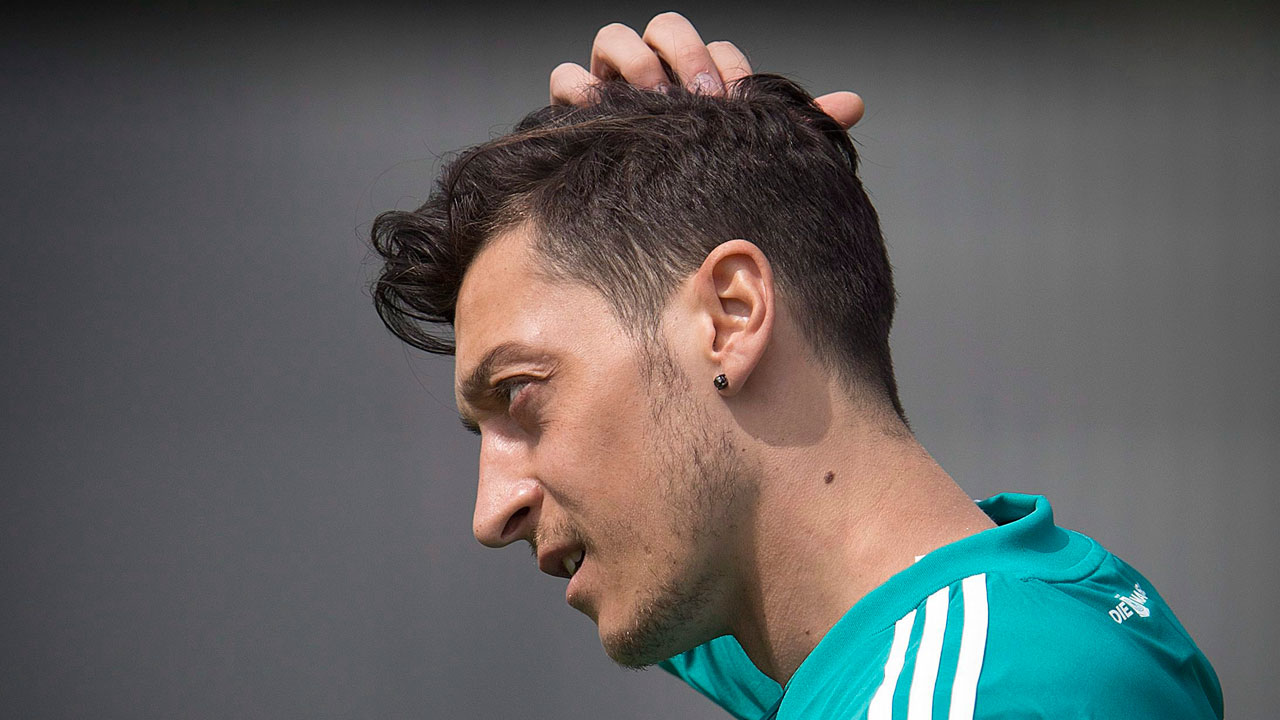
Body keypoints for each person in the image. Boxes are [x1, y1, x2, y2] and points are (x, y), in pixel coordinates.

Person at [370, 12, 1223, 719]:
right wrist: (701, 157)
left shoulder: (979, 695)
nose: (491, 512)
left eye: (520, 394)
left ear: (731, 316)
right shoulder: (986, 624)